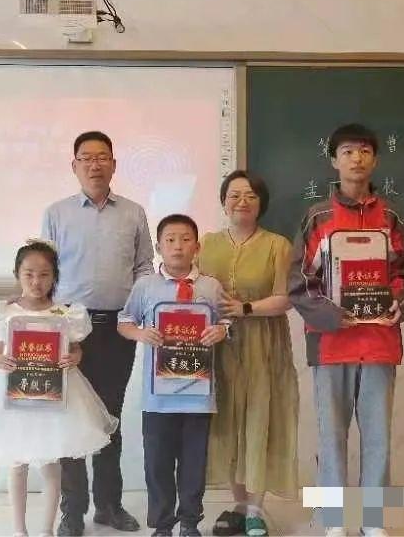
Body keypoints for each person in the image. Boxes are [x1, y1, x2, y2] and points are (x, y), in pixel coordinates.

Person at [287, 123, 404, 537]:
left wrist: (397, 302)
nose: (356, 159)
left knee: (378, 438)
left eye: (364, 151)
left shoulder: (394, 218)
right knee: (331, 437)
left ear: (375, 160)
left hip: (380, 343)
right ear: (334, 160)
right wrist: (330, 315)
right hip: (331, 345)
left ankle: (373, 521)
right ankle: (333, 521)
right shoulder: (318, 218)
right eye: (347, 151)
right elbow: (300, 281)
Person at [0, 240, 118, 537]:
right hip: (14, 395)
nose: (36, 281)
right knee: (17, 463)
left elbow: (75, 349)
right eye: (29, 274)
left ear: (55, 276)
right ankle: (19, 530)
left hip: (54, 395)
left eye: (44, 274)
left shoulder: (65, 314)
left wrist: (74, 357)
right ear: (17, 274)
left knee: (51, 464)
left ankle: (46, 529)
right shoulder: (6, 312)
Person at [41, 131, 154, 535]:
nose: (94, 164)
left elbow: (144, 267)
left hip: (118, 328)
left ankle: (109, 505)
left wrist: (139, 311)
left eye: (102, 157)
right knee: (72, 418)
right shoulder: (56, 213)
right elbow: (45, 272)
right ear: (74, 166)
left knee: (110, 418)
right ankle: (72, 512)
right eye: (86, 158)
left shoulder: (134, 213)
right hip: (71, 330)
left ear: (114, 165)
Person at [198, 170, 299, 537]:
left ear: (261, 204)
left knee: (258, 421)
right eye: (234, 195)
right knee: (227, 423)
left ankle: (256, 509)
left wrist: (246, 309)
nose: (242, 201)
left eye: (250, 196)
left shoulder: (278, 246)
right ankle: (239, 505)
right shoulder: (206, 244)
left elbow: (286, 298)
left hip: (263, 345)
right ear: (224, 201)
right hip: (218, 347)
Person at [118, 214, 231, 537]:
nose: (178, 246)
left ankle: (190, 523)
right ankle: (163, 524)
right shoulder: (146, 286)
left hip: (199, 394)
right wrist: (141, 334)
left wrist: (221, 331)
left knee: (194, 464)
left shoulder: (210, 286)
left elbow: (228, 320)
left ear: (197, 246)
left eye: (185, 239)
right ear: (158, 247)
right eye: (170, 240)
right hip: (158, 397)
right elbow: (124, 322)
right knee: (158, 464)